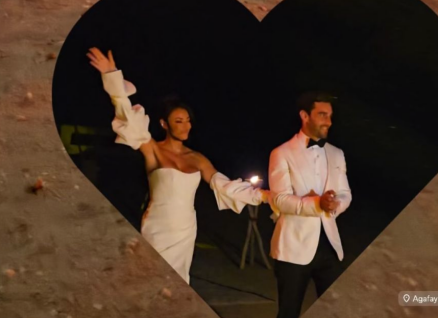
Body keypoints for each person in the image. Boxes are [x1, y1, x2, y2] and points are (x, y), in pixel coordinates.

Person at [87, 47, 270, 284]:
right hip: (157, 228)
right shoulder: (152, 147)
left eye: (188, 121)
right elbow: (128, 119)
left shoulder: (197, 158)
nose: (186, 126)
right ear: (164, 123)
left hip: (185, 230)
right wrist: (112, 77)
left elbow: (223, 186)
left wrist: (263, 195)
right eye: (178, 121)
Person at [268, 91, 352, 318]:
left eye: (330, 116)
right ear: (305, 116)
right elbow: (279, 199)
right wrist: (317, 204)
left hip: (329, 247)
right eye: (323, 115)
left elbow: (346, 194)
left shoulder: (337, 153)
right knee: (288, 313)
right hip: (293, 249)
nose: (329, 121)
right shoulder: (281, 153)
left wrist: (335, 204)